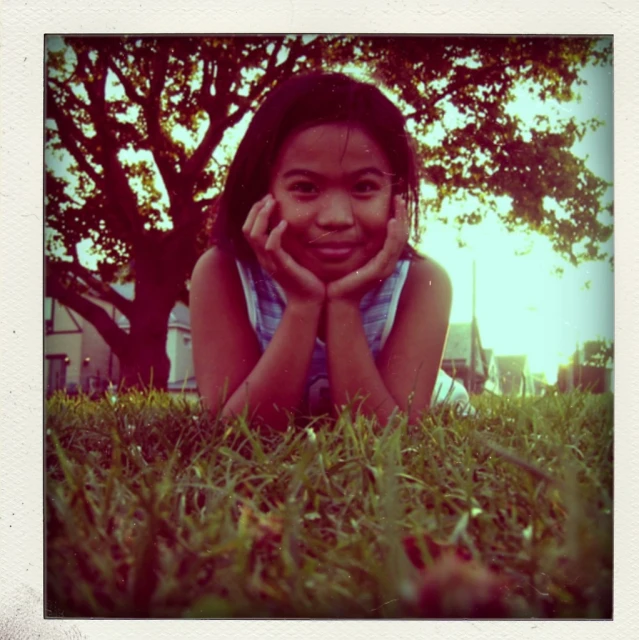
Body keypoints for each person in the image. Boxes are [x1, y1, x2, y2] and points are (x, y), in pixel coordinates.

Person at [190, 72, 472, 430]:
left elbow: (388, 438)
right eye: (305, 187)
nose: (337, 218)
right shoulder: (223, 274)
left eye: (365, 187)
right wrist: (303, 303)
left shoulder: (422, 282)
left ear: (395, 196)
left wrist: (344, 304)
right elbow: (236, 433)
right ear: (261, 193)